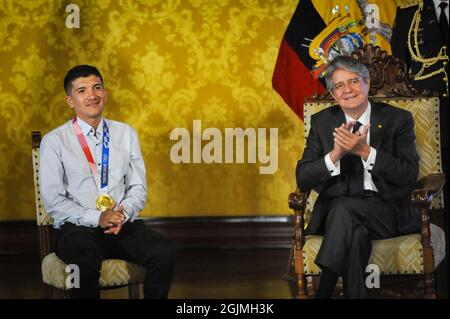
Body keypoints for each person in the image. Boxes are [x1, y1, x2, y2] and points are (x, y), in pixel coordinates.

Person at [39, 65, 175, 299]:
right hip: (78, 230)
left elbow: (137, 186)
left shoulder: (126, 133)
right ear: (70, 100)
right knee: (83, 262)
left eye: (97, 87)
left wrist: (122, 213)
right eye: (82, 90)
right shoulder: (54, 141)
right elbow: (53, 200)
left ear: (105, 93)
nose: (92, 95)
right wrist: (98, 217)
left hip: (122, 224)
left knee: (163, 251)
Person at [296, 56, 420, 298]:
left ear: (367, 82)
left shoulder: (398, 119)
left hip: (387, 211)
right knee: (355, 235)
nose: (348, 90)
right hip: (341, 221)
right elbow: (303, 177)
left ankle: (324, 292)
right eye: (339, 86)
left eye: (353, 81)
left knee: (342, 208)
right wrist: (335, 154)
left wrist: (365, 151)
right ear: (333, 94)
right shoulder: (322, 122)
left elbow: (408, 175)